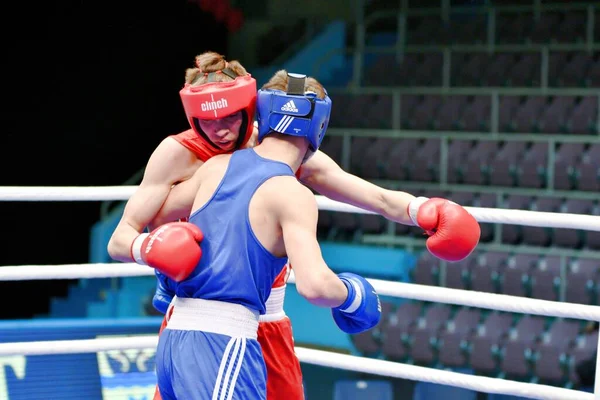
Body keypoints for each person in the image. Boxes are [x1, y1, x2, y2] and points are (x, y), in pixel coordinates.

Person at [107, 52, 481, 399]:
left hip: (262, 312)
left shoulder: (272, 149)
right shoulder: (182, 155)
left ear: (252, 110)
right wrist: (158, 254)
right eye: (207, 120)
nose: (219, 130)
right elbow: (138, 226)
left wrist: (422, 210)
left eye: (229, 117)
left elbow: (376, 198)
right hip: (209, 313)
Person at [143, 71, 381, 399]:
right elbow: (314, 285)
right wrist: (353, 295)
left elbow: (152, 216)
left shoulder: (216, 166)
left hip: (175, 337)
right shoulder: (292, 192)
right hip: (223, 342)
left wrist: (160, 257)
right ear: (320, 124)